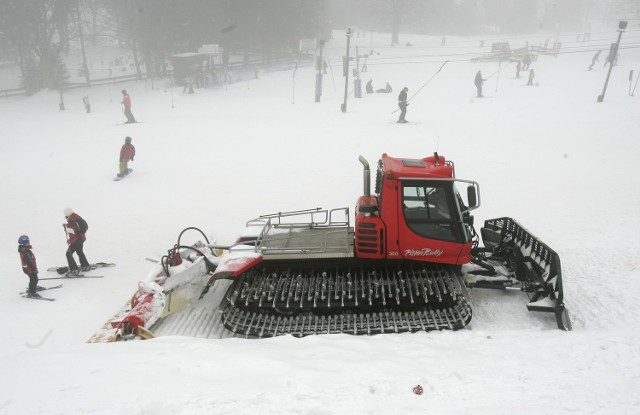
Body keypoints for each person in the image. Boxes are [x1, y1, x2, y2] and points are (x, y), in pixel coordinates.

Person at [63, 207, 90, 276]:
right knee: (79, 252)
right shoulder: (76, 217)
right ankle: (85, 265)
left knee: (68, 253)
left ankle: (74, 270)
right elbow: (77, 229)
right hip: (82, 238)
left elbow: (73, 234)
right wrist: (66, 226)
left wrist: (69, 240)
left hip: (77, 240)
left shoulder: (71, 222)